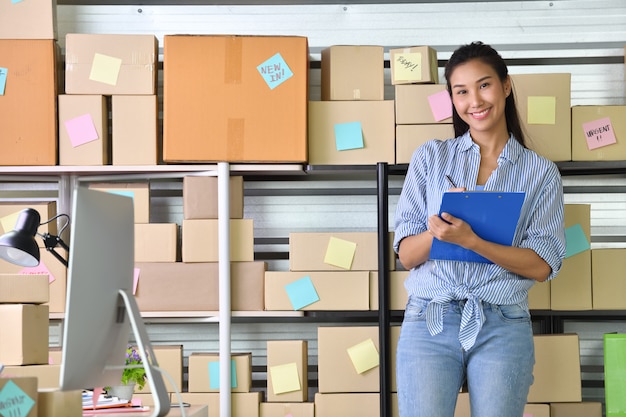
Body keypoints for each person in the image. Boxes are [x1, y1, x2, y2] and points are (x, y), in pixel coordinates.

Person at [393, 41, 566, 417]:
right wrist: (439, 230)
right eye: (462, 91)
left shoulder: (540, 172)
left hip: (503, 322)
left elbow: (542, 266)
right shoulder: (430, 158)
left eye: (484, 85)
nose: (475, 100)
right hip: (429, 319)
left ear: (505, 86)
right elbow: (406, 255)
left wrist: (473, 241)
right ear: (452, 99)